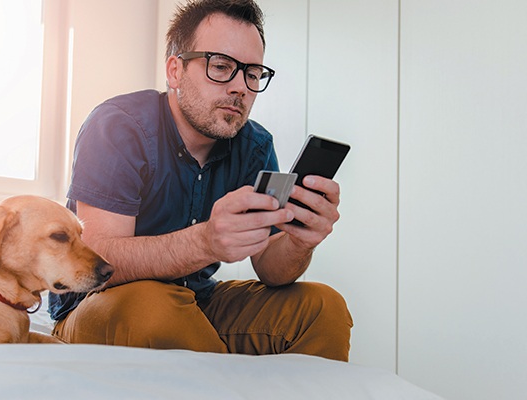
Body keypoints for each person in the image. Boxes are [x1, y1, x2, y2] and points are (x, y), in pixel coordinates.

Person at [49, 0, 353, 361]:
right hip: (104, 302)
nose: (241, 87)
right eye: (222, 66)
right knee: (152, 306)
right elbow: (98, 259)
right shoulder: (118, 125)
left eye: (252, 74)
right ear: (175, 71)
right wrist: (205, 242)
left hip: (196, 301)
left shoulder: (255, 146)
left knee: (323, 307)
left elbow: (271, 268)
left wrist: (301, 242)